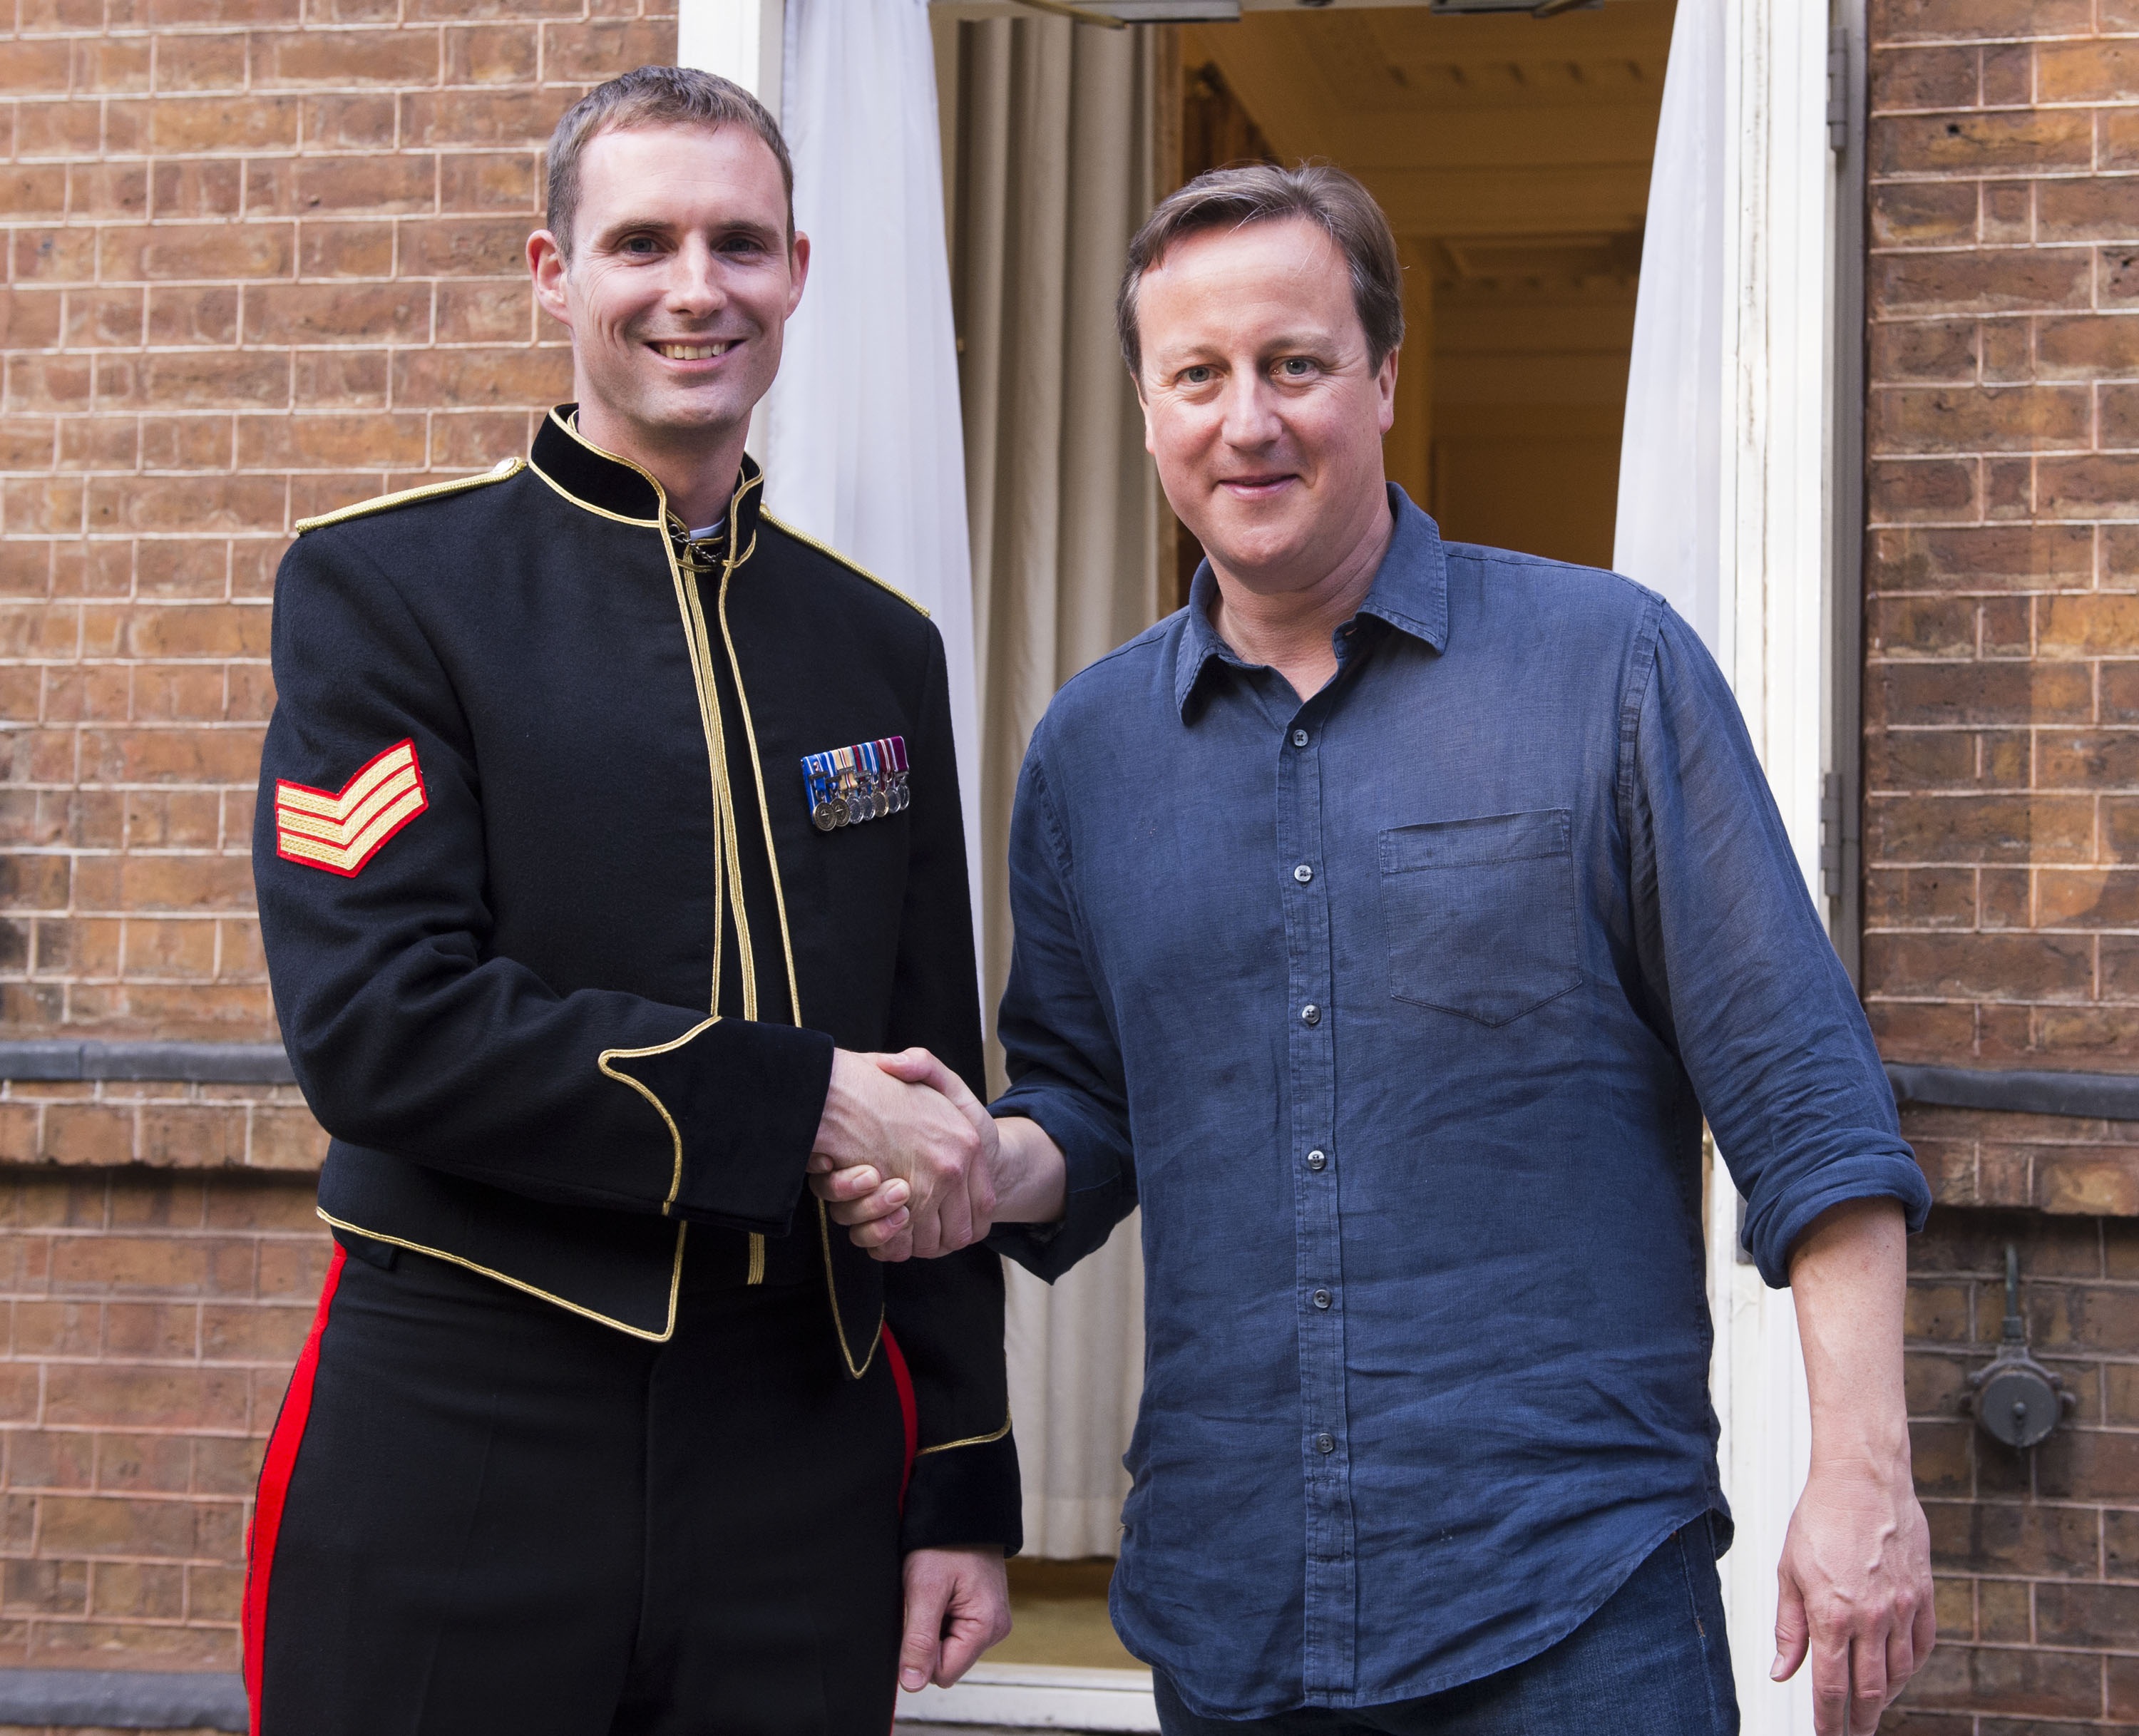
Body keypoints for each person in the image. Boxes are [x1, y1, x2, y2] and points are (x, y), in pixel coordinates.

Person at [826, 164, 1936, 1736]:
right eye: (1197, 377)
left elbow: (1808, 1104)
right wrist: (970, 1164)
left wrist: (1863, 1476)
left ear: (1385, 379)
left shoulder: (1609, 670)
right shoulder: (1088, 753)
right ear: (1149, 413)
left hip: (1573, 1603)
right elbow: (1090, 1108)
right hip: (1235, 1616)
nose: (1247, 421)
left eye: (1295, 364)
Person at [246, 66, 1017, 1736]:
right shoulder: (390, 593)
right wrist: (794, 1097)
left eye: (740, 244)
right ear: (554, 274)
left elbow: (929, 1072)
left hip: (798, 1453)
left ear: (798, 272)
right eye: (642, 242)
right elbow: (377, 1029)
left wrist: (960, 1466)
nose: (696, 288)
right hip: (469, 1412)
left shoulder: (877, 647)